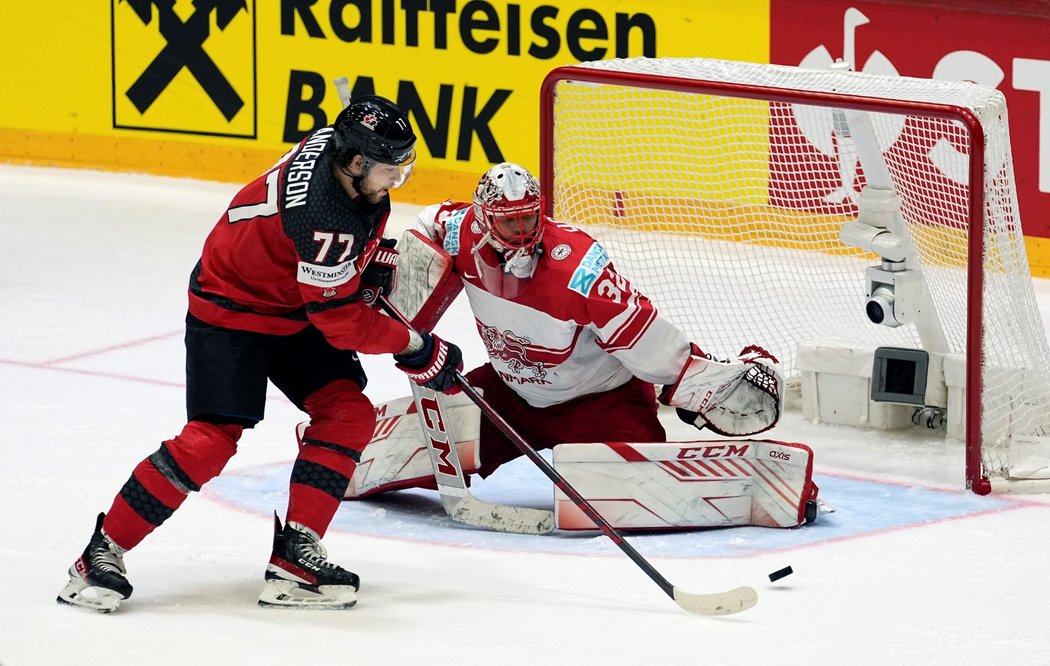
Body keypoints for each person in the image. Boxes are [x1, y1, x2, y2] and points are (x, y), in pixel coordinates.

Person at [56, 96, 463, 613]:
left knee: (347, 413)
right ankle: (99, 554)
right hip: (230, 310)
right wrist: (415, 346)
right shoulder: (326, 218)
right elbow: (340, 323)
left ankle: (296, 557)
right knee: (209, 442)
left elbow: (336, 264)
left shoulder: (336, 155)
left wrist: (366, 262)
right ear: (357, 162)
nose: (396, 180)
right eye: (391, 170)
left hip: (292, 302)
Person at [351, 162, 785, 500]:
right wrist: (394, 262)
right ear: (483, 220)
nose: (522, 233)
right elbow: (428, 224)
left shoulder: (578, 268)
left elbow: (644, 335)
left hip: (600, 404)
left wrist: (690, 381)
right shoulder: (460, 232)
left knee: (646, 492)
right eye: (509, 223)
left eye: (528, 219)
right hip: (507, 398)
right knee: (362, 466)